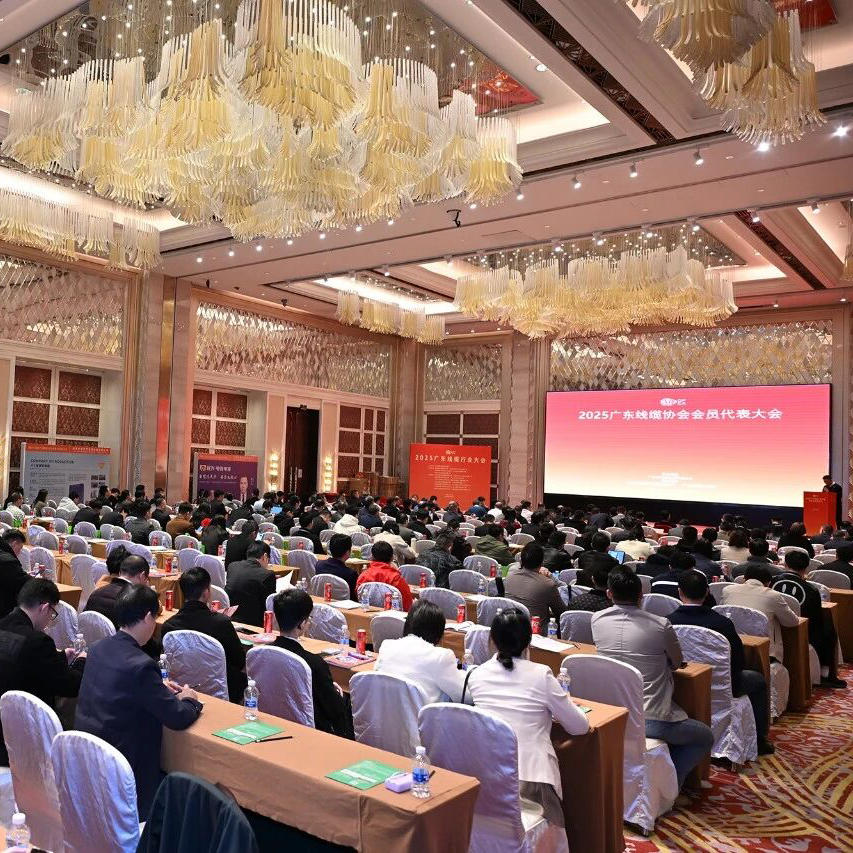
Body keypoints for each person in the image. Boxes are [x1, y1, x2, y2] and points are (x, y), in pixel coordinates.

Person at [75, 584, 202, 817]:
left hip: (88, 754)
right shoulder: (140, 665)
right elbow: (177, 717)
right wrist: (189, 699)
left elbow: (121, 685)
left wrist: (156, 687)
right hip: (124, 765)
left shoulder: (99, 647)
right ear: (146, 617)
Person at [592, 567, 714, 792]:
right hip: (650, 717)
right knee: (704, 737)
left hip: (612, 712)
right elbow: (676, 663)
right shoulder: (660, 624)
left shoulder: (597, 619)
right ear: (641, 595)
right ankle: (670, 789)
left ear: (609, 593)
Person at [466, 609, 589, 827]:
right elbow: (579, 727)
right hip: (532, 779)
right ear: (529, 641)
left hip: (487, 775)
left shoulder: (476, 674)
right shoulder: (541, 674)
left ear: (492, 640)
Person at [668, 571, 774, 754]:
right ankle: (760, 740)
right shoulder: (723, 623)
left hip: (681, 683)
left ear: (679, 592)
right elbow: (738, 662)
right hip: (724, 684)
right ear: (707, 592)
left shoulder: (667, 621)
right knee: (757, 680)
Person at [0, 578, 87, 762]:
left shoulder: (4, 624)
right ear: (45, 608)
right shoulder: (38, 641)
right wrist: (81, 661)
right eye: (52, 613)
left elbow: (22, 661)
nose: (50, 619)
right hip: (26, 730)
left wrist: (60, 657)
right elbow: (69, 686)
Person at [271, 589, 353, 737]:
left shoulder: (262, 652)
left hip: (273, 718)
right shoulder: (314, 663)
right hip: (310, 730)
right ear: (302, 624)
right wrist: (337, 694)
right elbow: (334, 709)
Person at [161, 567, 248, 702]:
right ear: (206, 592)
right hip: (221, 691)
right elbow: (240, 661)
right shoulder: (221, 623)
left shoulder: (169, 626)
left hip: (182, 689)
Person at [772, 551, 845, 688]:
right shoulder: (811, 590)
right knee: (827, 627)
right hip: (802, 632)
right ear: (806, 568)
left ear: (785, 564)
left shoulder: (772, 581)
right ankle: (825, 673)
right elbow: (815, 620)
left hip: (773, 629)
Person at [375, 600, 466, 703]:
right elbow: (464, 697)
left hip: (385, 711)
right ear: (438, 632)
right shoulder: (441, 657)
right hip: (422, 713)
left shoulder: (387, 646)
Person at [721, 565, 799, 663]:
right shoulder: (773, 595)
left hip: (730, 647)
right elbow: (792, 622)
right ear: (768, 583)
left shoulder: (727, 590)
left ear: (744, 578)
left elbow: (721, 612)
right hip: (763, 653)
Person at [503, 542, 565, 634]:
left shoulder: (509, 576)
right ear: (542, 562)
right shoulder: (548, 584)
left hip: (509, 629)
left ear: (521, 560)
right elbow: (562, 613)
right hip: (534, 634)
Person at [225, 540, 276, 627]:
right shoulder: (268, 574)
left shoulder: (232, 566)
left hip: (231, 618)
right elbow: (270, 604)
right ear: (265, 556)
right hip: (255, 623)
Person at [356, 541, 413, 610]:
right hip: (392, 616)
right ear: (392, 558)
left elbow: (358, 597)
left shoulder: (363, 576)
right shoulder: (396, 579)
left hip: (366, 614)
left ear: (372, 557)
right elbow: (407, 604)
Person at [0, 530, 29, 618]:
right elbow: (25, 584)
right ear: (15, 543)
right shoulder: (8, 561)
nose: (20, 552)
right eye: (20, 548)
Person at [322, 533, 359, 600]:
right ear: (348, 552)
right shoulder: (351, 574)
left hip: (323, 601)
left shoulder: (319, 566)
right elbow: (355, 598)